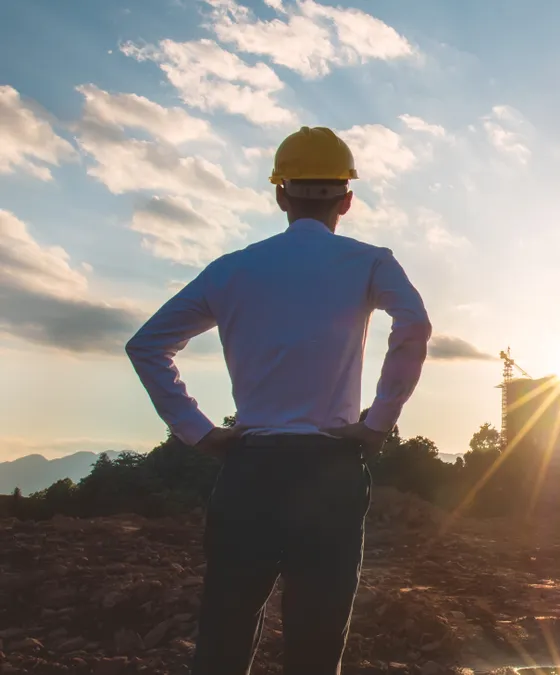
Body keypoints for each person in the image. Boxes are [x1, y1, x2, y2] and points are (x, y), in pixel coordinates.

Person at [125, 126, 432, 674]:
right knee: (316, 643)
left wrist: (197, 430)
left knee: (225, 632)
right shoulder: (369, 262)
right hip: (331, 468)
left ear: (280, 194)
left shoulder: (232, 269)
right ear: (347, 199)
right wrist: (379, 420)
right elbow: (413, 325)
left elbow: (147, 345)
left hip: (251, 469)